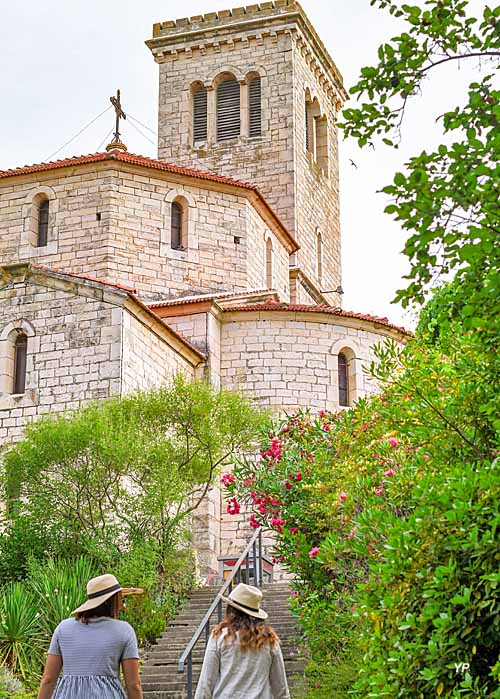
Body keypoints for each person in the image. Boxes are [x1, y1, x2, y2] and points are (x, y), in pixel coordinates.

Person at [37, 573, 144, 699]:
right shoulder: (124, 630)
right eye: (121, 598)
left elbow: (48, 679)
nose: (122, 603)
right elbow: (133, 684)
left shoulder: (63, 628)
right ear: (113, 601)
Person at [195, 582, 290, 699]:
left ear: (231, 611)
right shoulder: (269, 640)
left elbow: (206, 683)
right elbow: (280, 688)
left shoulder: (219, 637)